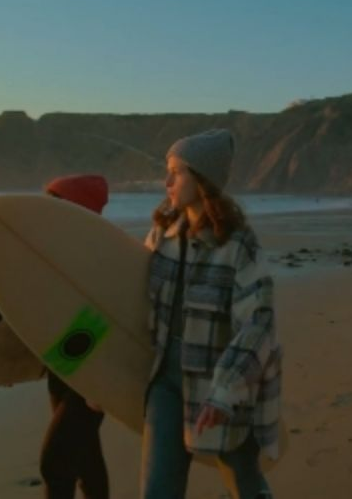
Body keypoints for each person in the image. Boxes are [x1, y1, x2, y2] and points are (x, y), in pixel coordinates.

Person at [140, 129, 282, 499]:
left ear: (203, 179)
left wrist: (225, 392)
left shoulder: (238, 246)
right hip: (165, 382)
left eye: (177, 171)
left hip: (220, 382)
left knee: (245, 485)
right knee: (158, 491)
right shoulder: (161, 236)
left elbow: (258, 322)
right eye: (166, 170)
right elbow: (132, 303)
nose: (167, 181)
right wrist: (101, 374)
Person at [0, 174, 110, 499]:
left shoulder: (96, 258)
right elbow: (23, 309)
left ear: (75, 212)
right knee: (85, 459)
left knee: (56, 463)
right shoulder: (46, 254)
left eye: (55, 203)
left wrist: (101, 384)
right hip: (61, 369)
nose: (44, 210)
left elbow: (111, 322)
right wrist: (7, 362)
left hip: (91, 376)